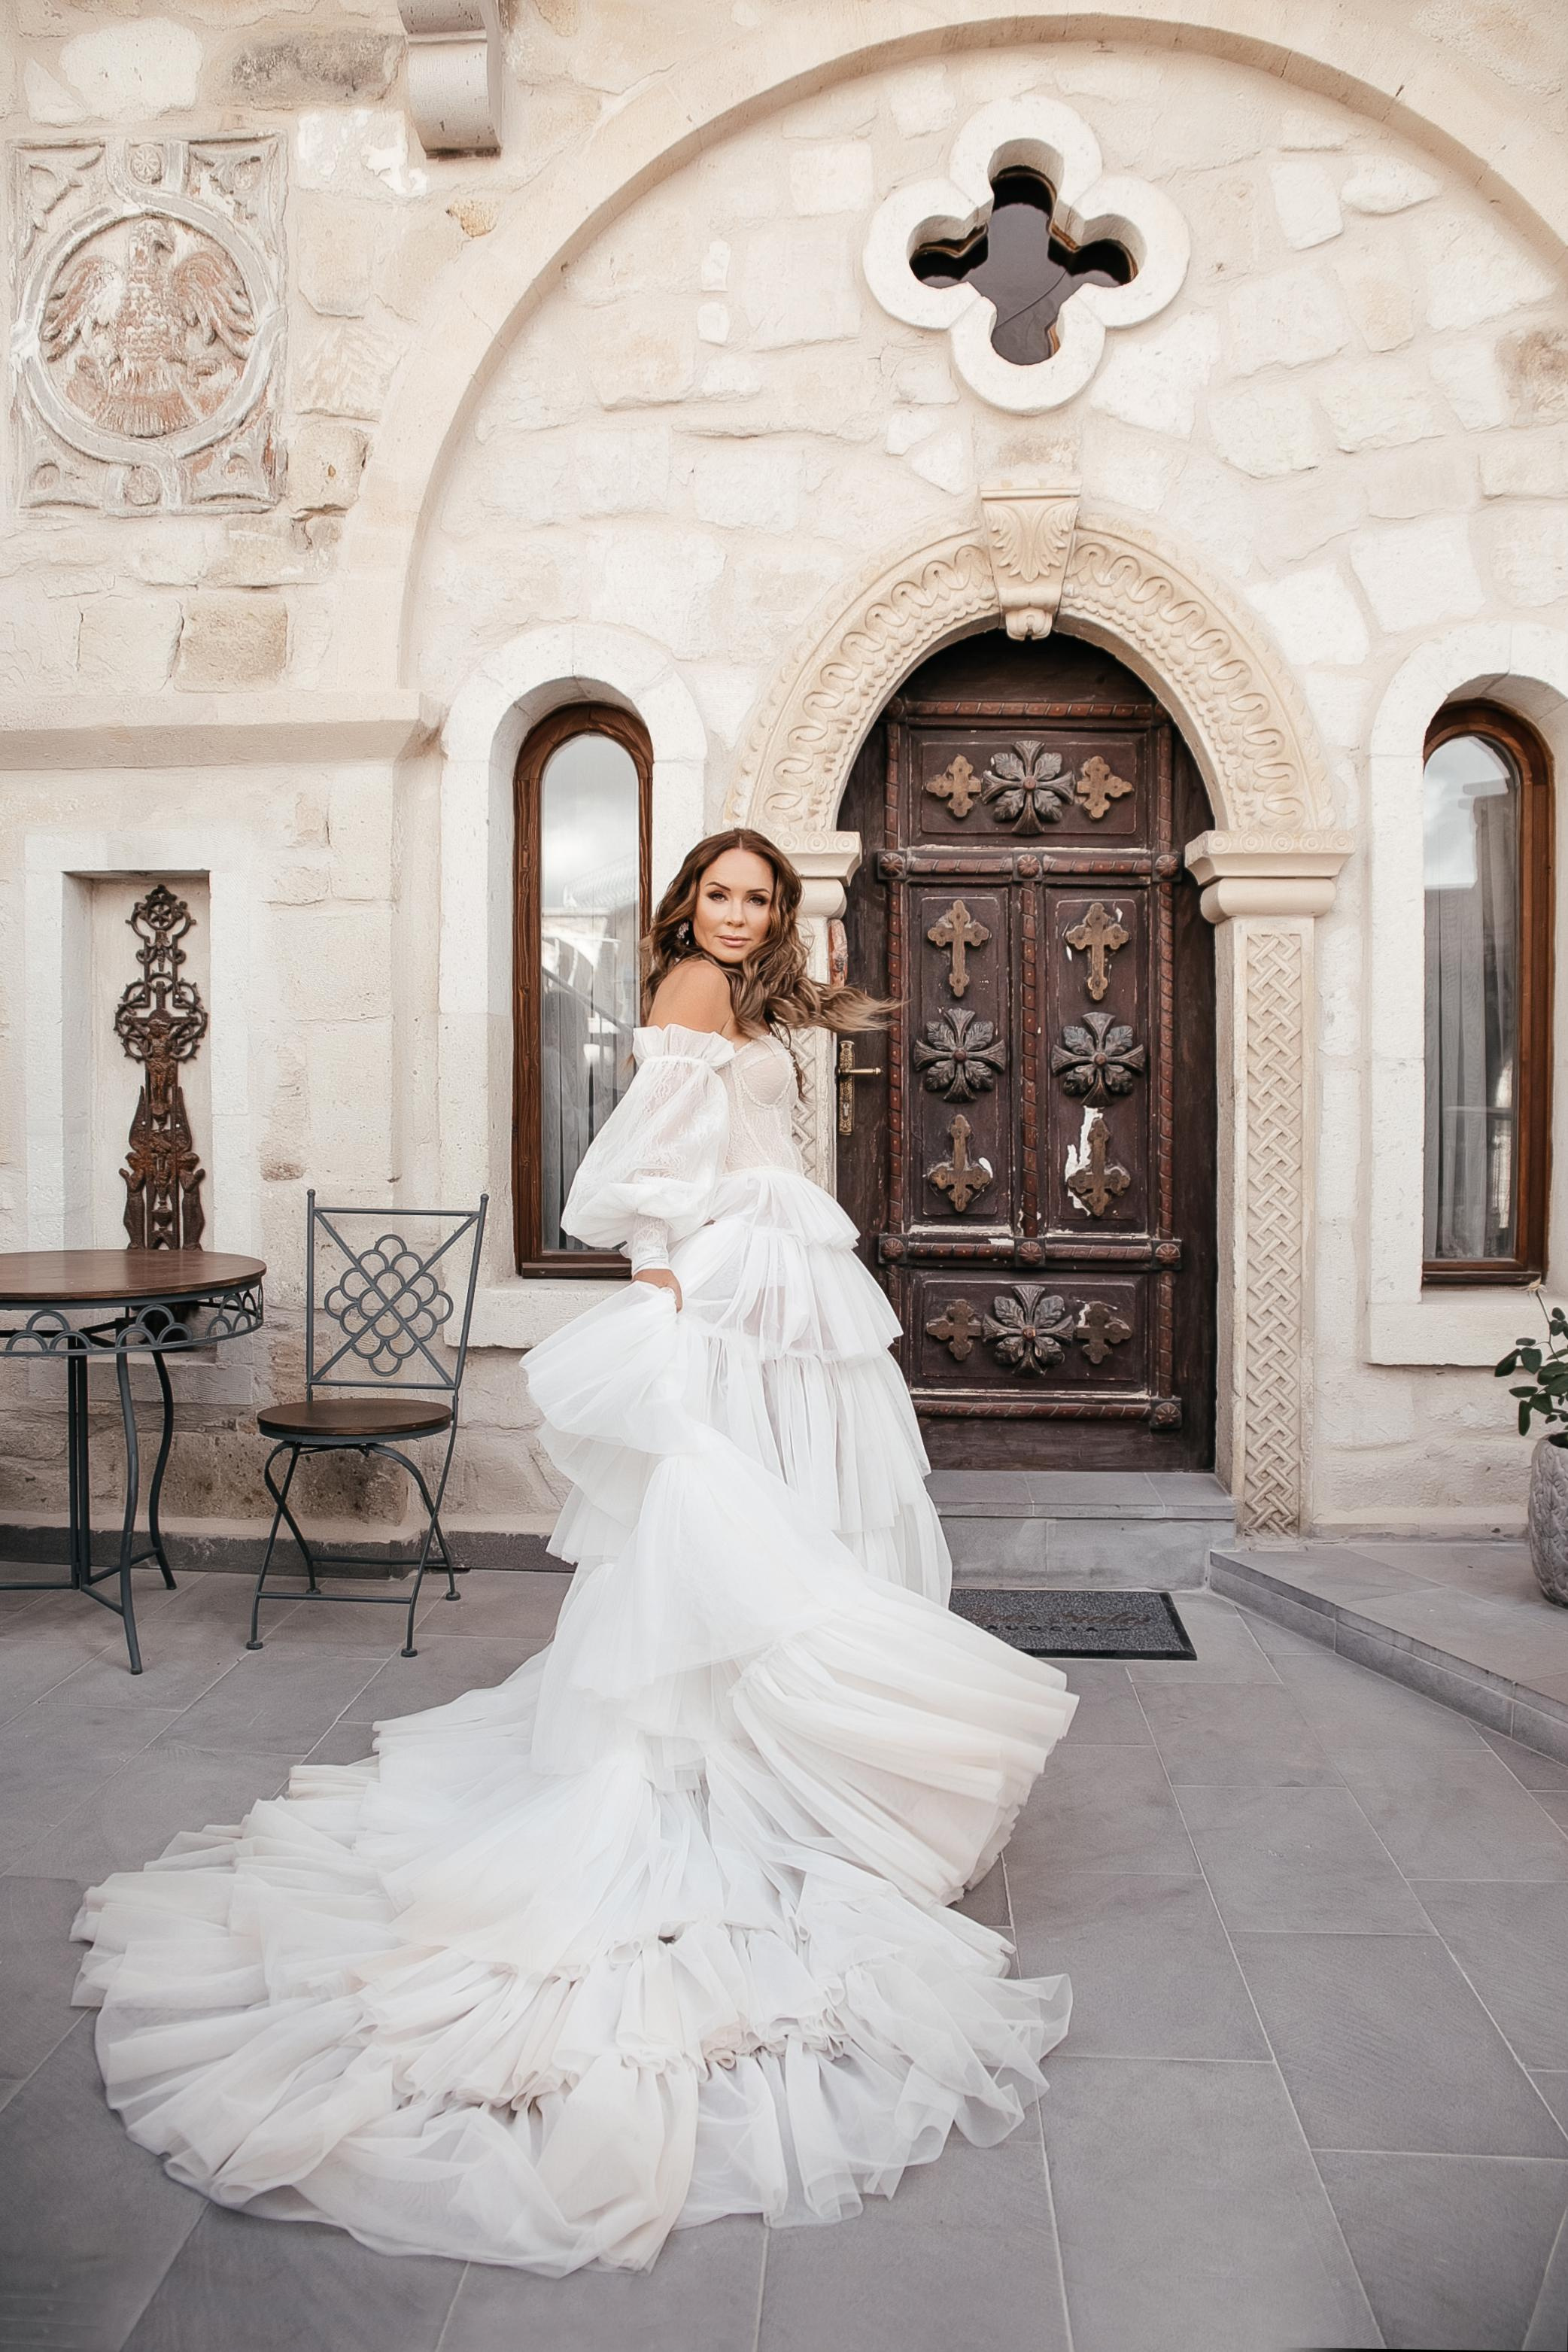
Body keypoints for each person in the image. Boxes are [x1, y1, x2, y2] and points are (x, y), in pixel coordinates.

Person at [71, 827, 1077, 2276]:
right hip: (729, 1294)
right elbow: (632, 1178)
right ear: (688, 906)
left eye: (758, 899)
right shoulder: (682, 990)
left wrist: (817, 998)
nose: (737, 917)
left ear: (779, 910)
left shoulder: (766, 997)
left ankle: (817, 1776)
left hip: (794, 1287)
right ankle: (742, 1773)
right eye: (721, 895)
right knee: (732, 1539)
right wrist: (669, 1296)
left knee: (809, 1523)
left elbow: (771, 1116)